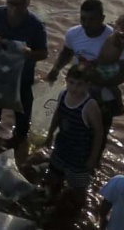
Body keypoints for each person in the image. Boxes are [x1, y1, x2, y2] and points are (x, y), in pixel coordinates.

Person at [47, 0, 124, 152]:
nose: (86, 24)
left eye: (92, 20)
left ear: (102, 19)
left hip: (103, 99)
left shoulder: (115, 40)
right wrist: (55, 69)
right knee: (69, 129)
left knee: (98, 135)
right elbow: (67, 52)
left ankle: (91, 166)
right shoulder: (73, 33)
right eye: (83, 19)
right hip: (77, 93)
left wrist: (100, 81)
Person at [0, 0, 48, 147]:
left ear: (27, 3)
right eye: (10, 3)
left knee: (23, 123)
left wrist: (30, 53)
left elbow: (44, 53)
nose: (13, 8)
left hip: (22, 79)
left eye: (18, 4)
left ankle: (17, 149)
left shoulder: (36, 24)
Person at [45, 65, 103, 203]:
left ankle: (76, 209)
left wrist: (93, 158)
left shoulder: (90, 105)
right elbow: (58, 114)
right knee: (54, 178)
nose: (74, 88)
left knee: (78, 188)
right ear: (66, 81)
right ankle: (52, 201)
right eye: (71, 83)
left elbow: (99, 133)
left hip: (79, 157)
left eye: (79, 84)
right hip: (61, 147)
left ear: (87, 85)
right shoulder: (63, 95)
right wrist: (50, 134)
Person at [95, 14, 124, 115]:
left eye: (123, 28)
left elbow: (113, 52)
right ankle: (119, 105)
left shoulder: (119, 39)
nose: (119, 28)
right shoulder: (113, 34)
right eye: (118, 23)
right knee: (113, 87)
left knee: (98, 84)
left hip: (108, 68)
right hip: (111, 66)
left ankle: (108, 105)